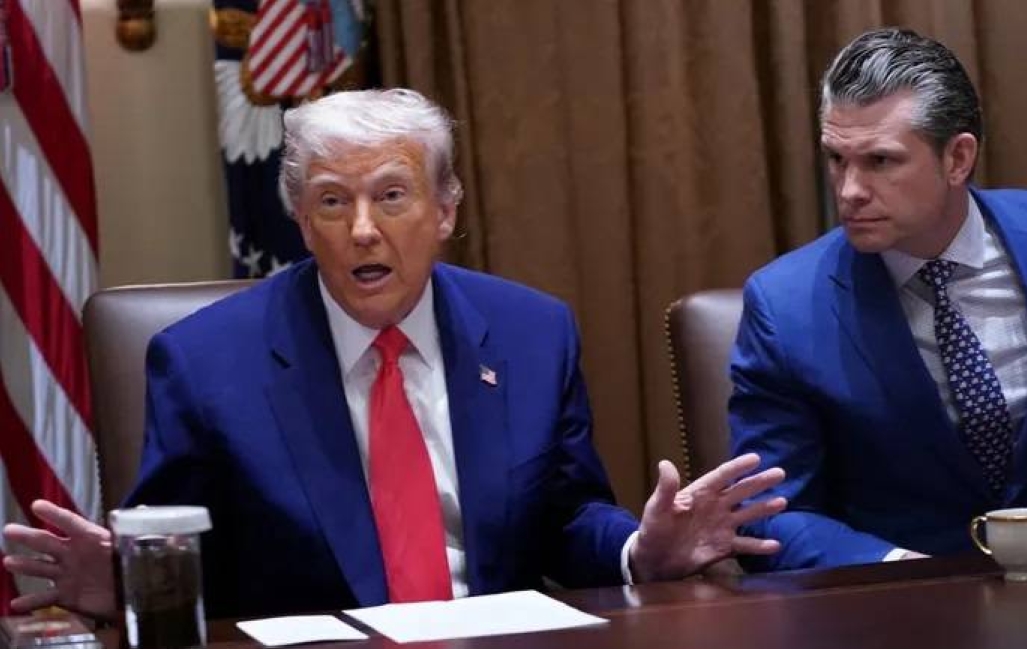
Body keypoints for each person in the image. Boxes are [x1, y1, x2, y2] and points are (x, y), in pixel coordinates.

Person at [3, 89, 786, 620]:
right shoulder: (205, 362)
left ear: (445, 210)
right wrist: (131, 580)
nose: (362, 230)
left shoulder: (531, 333)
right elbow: (183, 554)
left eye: (391, 195)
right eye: (331, 201)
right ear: (301, 221)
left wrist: (638, 550)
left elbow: (564, 517)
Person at [730, 27, 1027, 571]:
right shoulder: (785, 306)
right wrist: (903, 569)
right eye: (836, 158)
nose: (849, 190)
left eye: (880, 161)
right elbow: (769, 512)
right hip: (898, 596)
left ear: (958, 158)